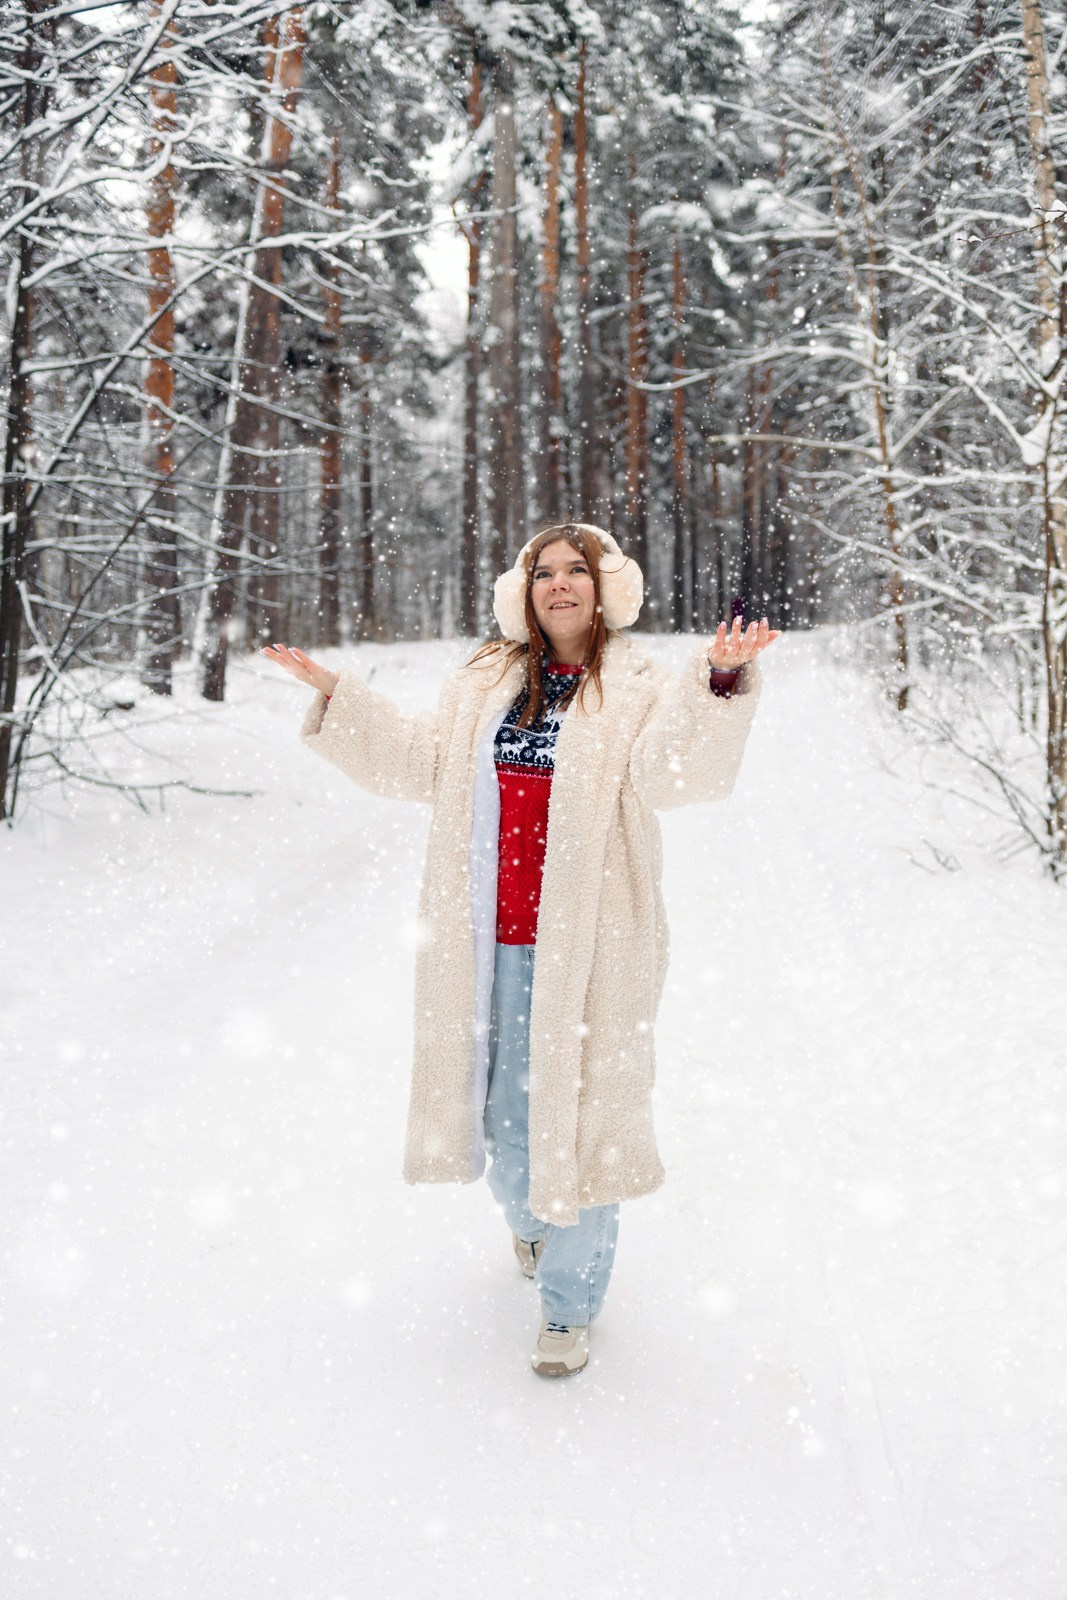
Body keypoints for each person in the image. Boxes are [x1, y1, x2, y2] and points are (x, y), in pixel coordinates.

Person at [263, 522, 779, 1377]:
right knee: (508, 1128)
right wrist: (338, 697)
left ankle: (568, 1309)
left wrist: (718, 680)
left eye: (577, 571)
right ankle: (535, 1220)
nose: (560, 585)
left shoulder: (637, 683)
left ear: (605, 587)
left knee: (580, 1130)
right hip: (490, 945)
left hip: (596, 947)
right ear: (524, 589)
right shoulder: (485, 682)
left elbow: (669, 776)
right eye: (544, 572)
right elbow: (422, 762)